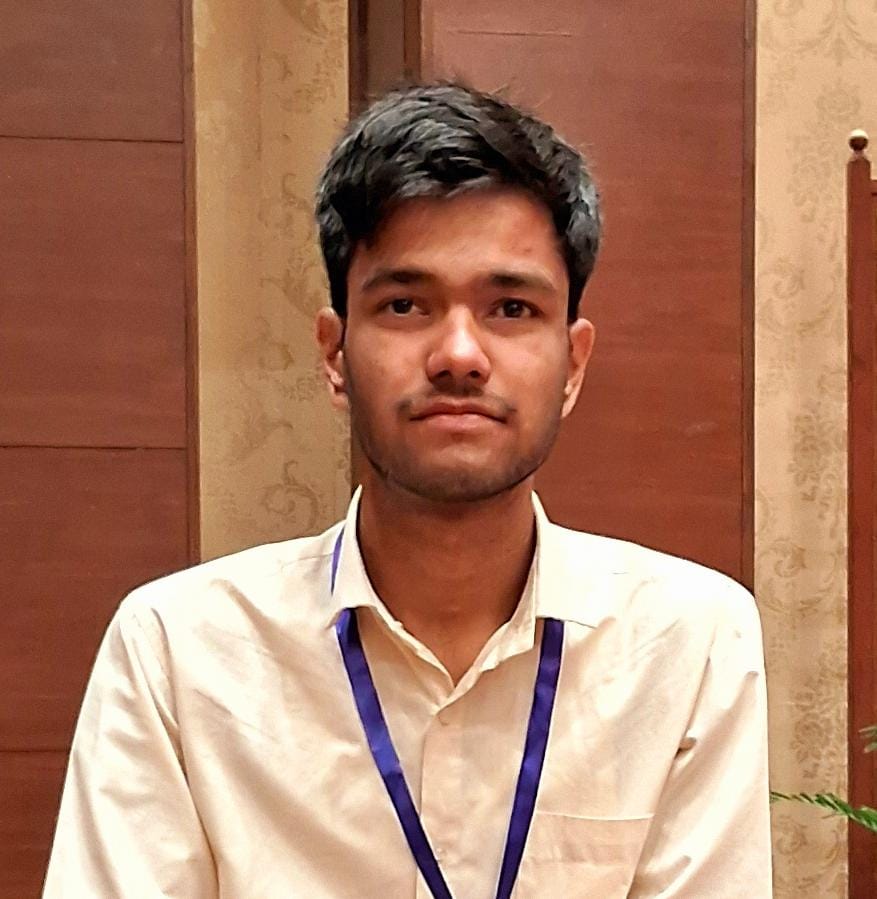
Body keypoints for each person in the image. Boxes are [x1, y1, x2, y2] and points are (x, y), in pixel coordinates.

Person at [43, 83, 771, 898]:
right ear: (334, 354)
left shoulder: (687, 641)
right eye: (403, 304)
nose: (458, 354)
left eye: (510, 307)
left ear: (573, 364)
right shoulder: (178, 651)